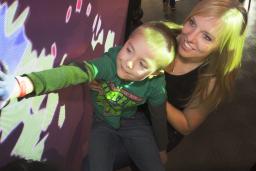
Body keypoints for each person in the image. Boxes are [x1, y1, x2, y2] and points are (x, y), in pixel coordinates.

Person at [0, 21, 180, 171]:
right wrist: (24, 84)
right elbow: (74, 72)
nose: (128, 63)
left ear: (154, 74)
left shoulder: (157, 86)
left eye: (142, 63)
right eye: (129, 49)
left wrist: (161, 146)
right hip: (102, 122)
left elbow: (158, 115)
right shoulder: (109, 63)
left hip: (133, 121)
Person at [99, 0, 247, 169]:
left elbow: (186, 125)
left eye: (206, 37)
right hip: (128, 109)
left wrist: (154, 94)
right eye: (192, 23)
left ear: (221, 47)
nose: (189, 38)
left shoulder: (211, 79)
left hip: (159, 133)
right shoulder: (161, 36)